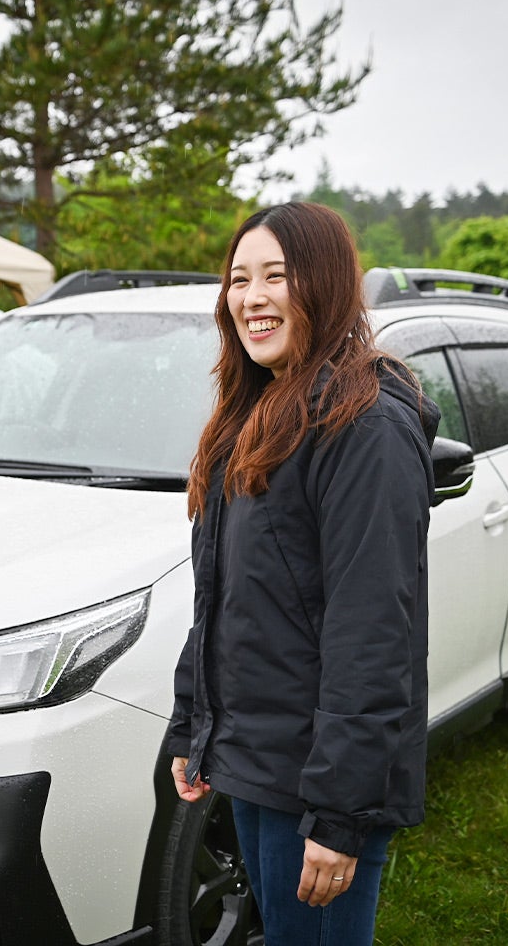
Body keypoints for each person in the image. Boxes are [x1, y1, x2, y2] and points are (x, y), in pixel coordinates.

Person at [166, 202, 438, 944]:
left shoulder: (364, 427)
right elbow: (223, 599)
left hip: (318, 782)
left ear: (323, 284)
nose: (251, 297)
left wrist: (342, 814)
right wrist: (193, 725)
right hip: (258, 759)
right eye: (238, 279)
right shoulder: (254, 412)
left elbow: (374, 632)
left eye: (276, 277)